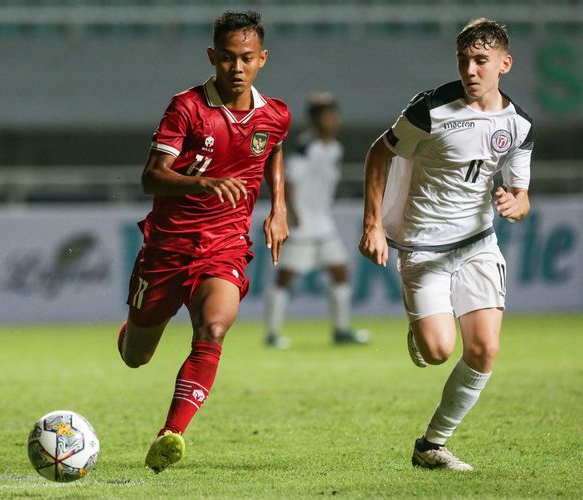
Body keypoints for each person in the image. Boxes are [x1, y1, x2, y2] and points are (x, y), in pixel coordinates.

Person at [117, 11, 290, 473]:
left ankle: (170, 433)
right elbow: (151, 178)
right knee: (136, 357)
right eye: (228, 58)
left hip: (226, 244)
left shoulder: (276, 114)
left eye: (247, 59)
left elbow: (272, 147)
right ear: (213, 57)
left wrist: (279, 208)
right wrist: (204, 183)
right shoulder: (187, 108)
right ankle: (132, 330)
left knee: (213, 329)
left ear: (262, 60)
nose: (237, 68)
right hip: (167, 248)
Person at [359, 18, 532, 471]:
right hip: (424, 247)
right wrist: (373, 224)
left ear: (504, 64)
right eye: (463, 61)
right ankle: (423, 334)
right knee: (438, 351)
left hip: (478, 242)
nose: (471, 70)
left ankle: (431, 444)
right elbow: (380, 152)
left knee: (484, 350)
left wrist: (516, 203)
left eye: (481, 61)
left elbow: (521, 193)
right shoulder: (430, 109)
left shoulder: (518, 125)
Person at [264, 93, 370, 349]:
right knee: (285, 278)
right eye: (327, 115)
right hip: (302, 226)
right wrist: (290, 211)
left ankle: (341, 330)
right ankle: (272, 333)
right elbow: (287, 180)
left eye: (335, 114)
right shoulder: (305, 147)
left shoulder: (334, 148)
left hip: (324, 224)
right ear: (315, 119)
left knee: (340, 272)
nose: (333, 120)